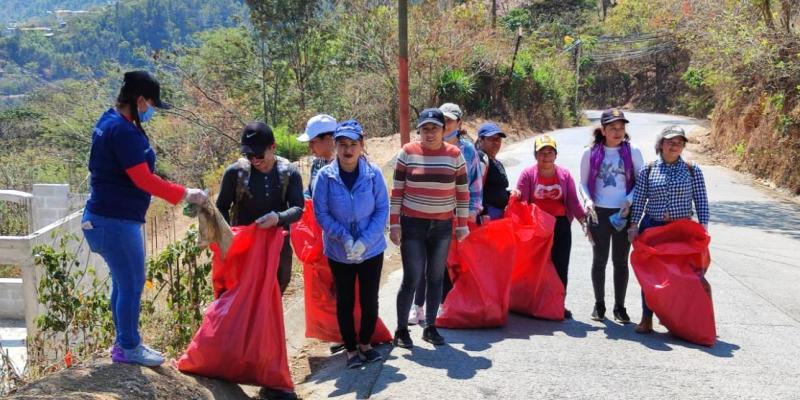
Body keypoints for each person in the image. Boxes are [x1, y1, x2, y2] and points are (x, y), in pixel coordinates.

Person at [81, 71, 208, 367]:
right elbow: (143, 180)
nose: (150, 110)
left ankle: (123, 342)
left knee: (123, 283)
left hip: (105, 217)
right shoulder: (123, 132)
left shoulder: (110, 120)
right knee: (132, 283)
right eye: (150, 103)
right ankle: (128, 346)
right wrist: (185, 193)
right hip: (115, 221)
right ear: (139, 100)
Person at [391, 108, 470, 348]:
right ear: (419, 130)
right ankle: (402, 329)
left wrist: (462, 225)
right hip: (413, 225)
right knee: (412, 278)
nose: (429, 133)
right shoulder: (407, 152)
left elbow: (462, 193)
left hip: (442, 226)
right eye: (425, 128)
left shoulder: (455, 155)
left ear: (444, 129)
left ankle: (430, 327)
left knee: (435, 278)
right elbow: (397, 191)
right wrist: (394, 224)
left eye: (434, 128)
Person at [312, 120, 388, 369]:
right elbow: (321, 214)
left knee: (369, 299)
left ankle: (366, 343)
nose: (348, 150)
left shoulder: (373, 174)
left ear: (361, 145)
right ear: (335, 146)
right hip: (338, 250)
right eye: (342, 144)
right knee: (344, 300)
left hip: (372, 249)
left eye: (353, 144)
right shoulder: (325, 177)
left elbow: (381, 210)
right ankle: (351, 349)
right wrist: (344, 237)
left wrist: (364, 242)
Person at [628, 125, 709, 334]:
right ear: (661, 144)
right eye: (670, 142)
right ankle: (647, 319)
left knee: (681, 277)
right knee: (651, 277)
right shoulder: (649, 168)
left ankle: (677, 321)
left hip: (680, 231)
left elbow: (701, 201)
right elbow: (639, 199)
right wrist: (634, 225)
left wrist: (704, 229)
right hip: (652, 229)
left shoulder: (692, 170)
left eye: (679, 142)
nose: (675, 146)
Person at [408, 103, 484, 325]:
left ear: (459, 124)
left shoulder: (468, 151)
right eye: (444, 120)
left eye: (451, 120)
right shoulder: (425, 147)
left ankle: (444, 304)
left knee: (445, 264)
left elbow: (475, 184)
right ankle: (418, 306)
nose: (447, 124)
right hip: (427, 214)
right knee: (422, 261)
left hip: (455, 216)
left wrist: (470, 212)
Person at [216, 121, 304, 294]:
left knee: (275, 292)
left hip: (277, 248)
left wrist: (278, 218)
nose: (254, 160)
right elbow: (222, 207)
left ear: (273, 147)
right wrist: (229, 237)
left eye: (258, 154)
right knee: (243, 297)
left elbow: (298, 209)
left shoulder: (289, 172)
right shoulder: (236, 173)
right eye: (249, 155)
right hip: (244, 249)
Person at [579, 108, 644, 324]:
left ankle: (620, 306)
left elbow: (641, 181)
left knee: (620, 261)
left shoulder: (633, 151)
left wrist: (630, 200)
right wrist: (588, 202)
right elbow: (583, 182)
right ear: (603, 130)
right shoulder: (590, 152)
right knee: (599, 260)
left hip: (623, 212)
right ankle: (599, 304)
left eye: (621, 128)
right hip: (599, 212)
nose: (618, 132)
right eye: (613, 128)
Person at [515, 135, 586, 320]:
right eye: (541, 153)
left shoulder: (564, 175)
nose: (546, 157)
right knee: (536, 267)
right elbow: (522, 202)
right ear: (535, 155)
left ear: (555, 155)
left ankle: (558, 304)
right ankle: (532, 302)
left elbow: (572, 201)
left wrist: (584, 221)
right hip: (537, 227)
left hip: (560, 225)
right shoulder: (528, 174)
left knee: (560, 266)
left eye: (549, 153)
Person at [297, 114, 337, 198]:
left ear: (328, 139)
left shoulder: (344, 166)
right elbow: (311, 191)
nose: (309, 146)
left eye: (313, 142)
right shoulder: (317, 164)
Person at [476, 122, 510, 221]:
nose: (496, 142)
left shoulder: (497, 162)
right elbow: (476, 189)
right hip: (488, 215)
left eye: (498, 139)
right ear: (481, 140)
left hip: (498, 214)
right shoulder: (481, 158)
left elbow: (498, 187)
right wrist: (484, 212)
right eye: (491, 139)